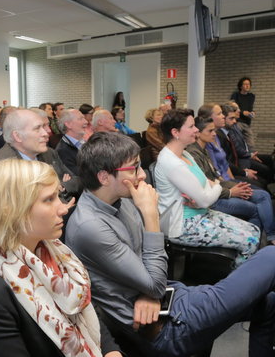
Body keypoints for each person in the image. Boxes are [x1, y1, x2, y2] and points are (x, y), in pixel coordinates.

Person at [65, 131, 275, 357]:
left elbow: (150, 270)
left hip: (168, 296)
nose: (142, 176)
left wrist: (149, 292)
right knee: (271, 256)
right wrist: (151, 215)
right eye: (133, 168)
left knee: (270, 303)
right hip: (165, 327)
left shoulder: (121, 199)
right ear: (104, 177)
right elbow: (154, 281)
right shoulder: (90, 226)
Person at [0, 158, 123, 357]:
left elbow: (87, 313)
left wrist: (111, 352)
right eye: (49, 200)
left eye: (58, 196)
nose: (63, 208)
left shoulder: (56, 253)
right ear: (12, 210)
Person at [154, 109, 259, 267]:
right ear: (175, 132)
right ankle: (240, 285)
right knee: (250, 240)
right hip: (183, 224)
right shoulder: (171, 162)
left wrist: (206, 191)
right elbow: (205, 198)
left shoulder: (185, 154)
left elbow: (204, 183)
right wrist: (214, 187)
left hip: (199, 214)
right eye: (191, 127)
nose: (196, 130)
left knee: (254, 230)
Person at [187, 117, 275, 243]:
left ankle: (256, 242)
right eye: (210, 131)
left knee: (262, 195)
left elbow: (216, 176)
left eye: (214, 130)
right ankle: (258, 240)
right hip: (215, 198)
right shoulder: (193, 153)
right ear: (198, 133)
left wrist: (233, 185)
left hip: (220, 189)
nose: (214, 134)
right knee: (258, 206)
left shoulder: (203, 149)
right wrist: (231, 191)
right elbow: (205, 184)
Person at [0, 109, 81, 200]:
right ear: (17, 136)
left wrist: (62, 187)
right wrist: (54, 189)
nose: (46, 133)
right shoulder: (4, 167)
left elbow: (76, 181)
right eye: (37, 128)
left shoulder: (48, 153)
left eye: (44, 127)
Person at [56, 109, 87, 175]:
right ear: (68, 124)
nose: (86, 122)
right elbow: (76, 177)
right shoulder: (63, 151)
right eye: (81, 119)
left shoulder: (85, 143)